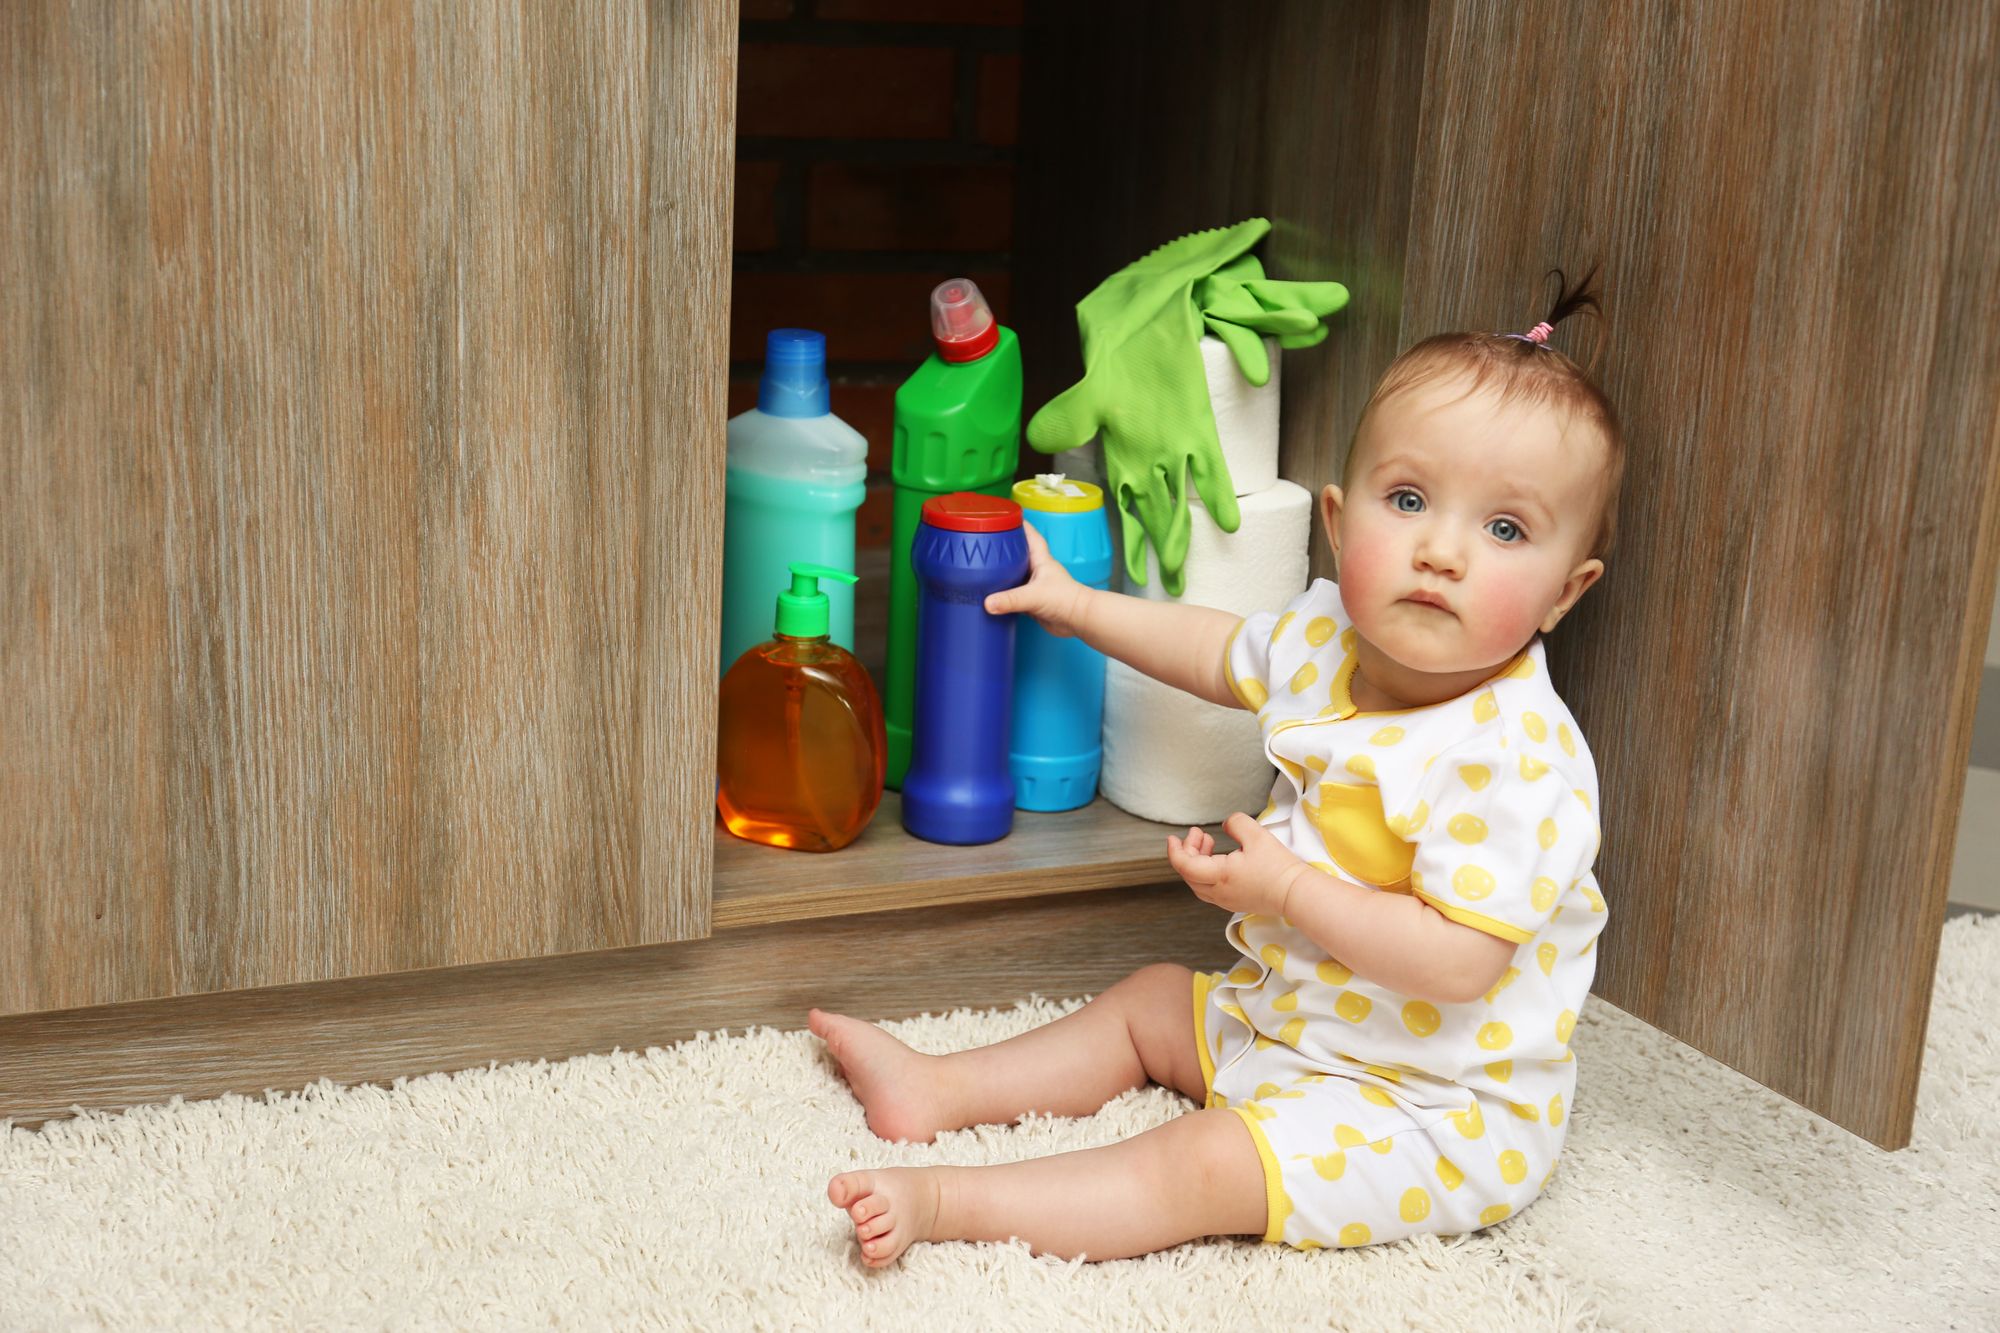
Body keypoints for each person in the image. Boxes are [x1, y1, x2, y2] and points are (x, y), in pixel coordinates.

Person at [811, 267, 1624, 1268]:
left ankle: (945, 1201)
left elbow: (1457, 961)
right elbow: (1212, 649)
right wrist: (1077, 606)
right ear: (1337, 521)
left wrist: (1286, 889)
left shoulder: (1517, 759)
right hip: (1294, 1023)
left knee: (1198, 1162)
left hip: (1429, 1108)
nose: (1441, 552)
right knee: (1154, 1000)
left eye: (1504, 529)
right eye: (1409, 499)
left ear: (1564, 591)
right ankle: (939, 1087)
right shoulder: (1327, 640)